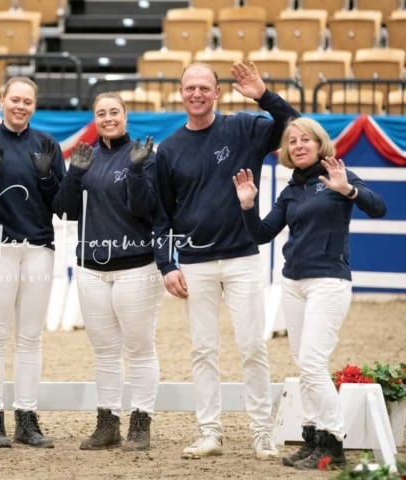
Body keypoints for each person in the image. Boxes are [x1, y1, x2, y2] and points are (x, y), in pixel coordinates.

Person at [153, 61, 300, 460]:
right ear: (181, 93)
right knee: (202, 350)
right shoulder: (168, 150)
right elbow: (161, 214)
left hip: (242, 259)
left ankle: (260, 432)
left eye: (204, 87)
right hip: (195, 263)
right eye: (190, 88)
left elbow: (296, 127)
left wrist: (264, 95)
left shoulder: (244, 128)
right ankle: (209, 431)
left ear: (217, 92)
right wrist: (167, 265)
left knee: (253, 346)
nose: (197, 94)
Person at [232, 117, 387, 470]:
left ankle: (333, 442)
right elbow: (261, 233)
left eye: (306, 140)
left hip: (328, 282)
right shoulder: (291, 190)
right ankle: (314, 438)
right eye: (292, 141)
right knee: (305, 365)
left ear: (320, 145)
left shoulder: (337, 176)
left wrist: (347, 189)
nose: (299, 145)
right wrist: (246, 205)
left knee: (314, 363)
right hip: (294, 284)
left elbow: (378, 207)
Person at [53, 92, 162, 451]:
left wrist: (134, 170)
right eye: (101, 113)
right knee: (104, 350)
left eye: (114, 112)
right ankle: (107, 422)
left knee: (140, 348)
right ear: (94, 119)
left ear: (125, 116)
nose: (108, 118)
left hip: (136, 264)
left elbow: (146, 209)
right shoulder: (88, 156)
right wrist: (73, 176)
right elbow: (65, 211)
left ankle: (141, 423)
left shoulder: (145, 156)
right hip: (91, 267)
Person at [0, 76, 65, 449]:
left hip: (39, 246)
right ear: (2, 99)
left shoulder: (47, 144)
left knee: (30, 337)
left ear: (34, 105)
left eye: (27, 101)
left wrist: (46, 180)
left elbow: (61, 204)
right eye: (15, 99)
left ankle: (26, 417)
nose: (20, 106)